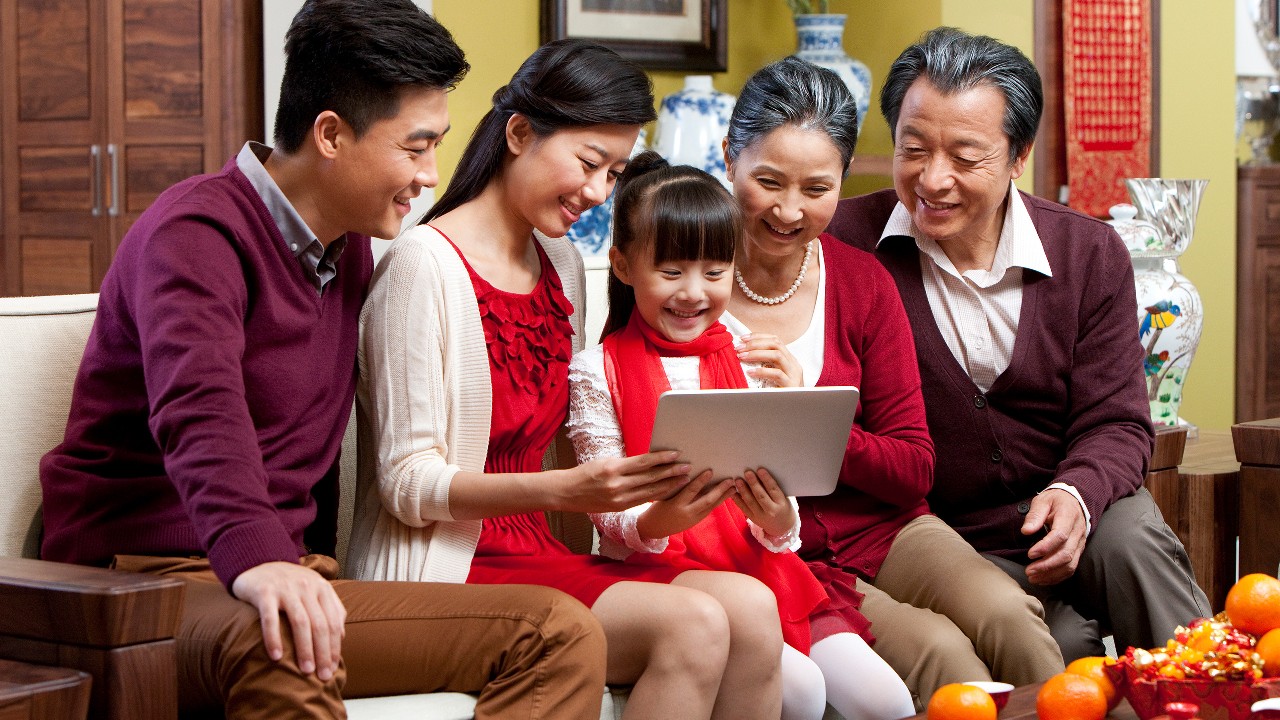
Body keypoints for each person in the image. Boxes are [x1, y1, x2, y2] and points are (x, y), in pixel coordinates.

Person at [38, 2, 610, 718]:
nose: (430, 176)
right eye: (415, 147)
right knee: (291, 646)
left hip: (272, 573)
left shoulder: (353, 254)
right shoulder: (195, 233)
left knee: (558, 632)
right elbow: (201, 413)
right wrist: (264, 560)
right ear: (332, 134)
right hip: (135, 582)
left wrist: (294, 563)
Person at [349, 39, 784, 720]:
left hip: (539, 553)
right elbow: (405, 486)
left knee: (753, 608)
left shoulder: (564, 265)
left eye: (613, 172)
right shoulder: (420, 267)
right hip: (448, 572)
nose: (598, 192)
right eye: (589, 163)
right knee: (692, 623)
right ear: (519, 133)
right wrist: (565, 489)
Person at [826, 27, 1211, 665]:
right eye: (913, 149)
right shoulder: (844, 242)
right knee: (1064, 644)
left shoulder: (1088, 252)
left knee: (1134, 539)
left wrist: (1077, 496)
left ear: (1017, 155)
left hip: (1076, 509)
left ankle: (1211, 697)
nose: (933, 178)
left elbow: (1116, 420)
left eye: (966, 156)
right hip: (945, 535)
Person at [719, 56, 1066, 708]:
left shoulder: (861, 282)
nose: (790, 211)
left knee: (1007, 612)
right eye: (768, 181)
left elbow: (913, 468)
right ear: (727, 158)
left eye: (817, 189)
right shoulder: (685, 283)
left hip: (887, 526)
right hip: (764, 546)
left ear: (843, 180)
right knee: (942, 653)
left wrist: (811, 420)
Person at [565, 150, 914, 720]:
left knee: (889, 703)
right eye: (671, 272)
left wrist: (779, 514)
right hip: (660, 573)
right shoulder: (595, 370)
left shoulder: (751, 357)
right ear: (624, 267)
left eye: (714, 272)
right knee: (801, 693)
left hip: (762, 565)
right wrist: (660, 521)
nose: (693, 293)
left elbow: (783, 497)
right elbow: (604, 507)